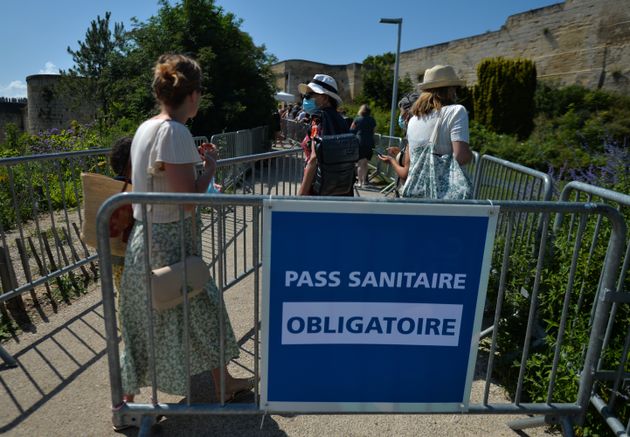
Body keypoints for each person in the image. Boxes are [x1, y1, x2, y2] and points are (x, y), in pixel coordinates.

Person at [118, 53, 253, 406]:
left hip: (145, 235)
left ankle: (125, 401)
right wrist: (209, 167)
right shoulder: (175, 132)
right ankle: (222, 383)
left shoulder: (147, 127)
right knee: (205, 307)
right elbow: (187, 201)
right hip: (171, 239)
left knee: (143, 318)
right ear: (191, 94)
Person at [378, 65, 473, 198]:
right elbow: (461, 157)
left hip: (414, 195)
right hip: (444, 202)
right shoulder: (456, 111)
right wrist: (471, 155)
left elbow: (412, 162)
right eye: (455, 88)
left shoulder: (413, 121)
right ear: (450, 89)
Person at [297, 73, 351, 196]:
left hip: (319, 188)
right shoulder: (340, 119)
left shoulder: (319, 119)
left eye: (310, 95)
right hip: (339, 187)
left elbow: (314, 158)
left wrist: (300, 195)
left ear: (325, 98)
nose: (305, 98)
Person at [108, 136, 133, 292]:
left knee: (124, 294)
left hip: (116, 258)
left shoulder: (109, 188)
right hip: (133, 257)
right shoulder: (132, 189)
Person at [350, 104, 376, 187]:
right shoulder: (372, 120)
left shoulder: (357, 119)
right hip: (370, 142)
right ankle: (365, 182)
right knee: (365, 163)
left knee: (360, 163)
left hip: (360, 141)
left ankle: (359, 182)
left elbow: (351, 129)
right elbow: (374, 130)